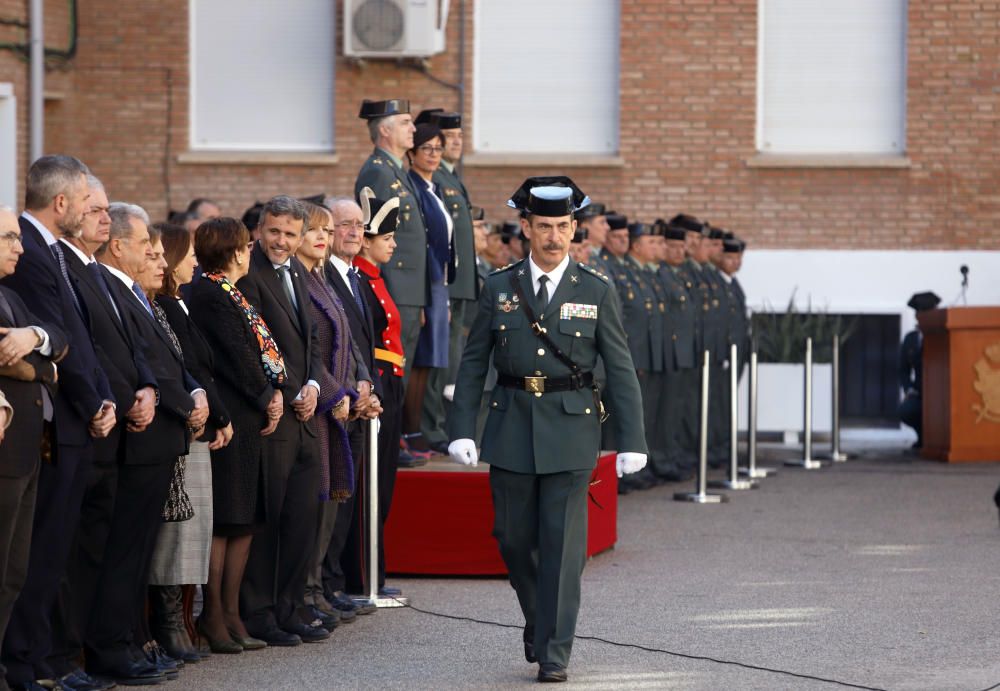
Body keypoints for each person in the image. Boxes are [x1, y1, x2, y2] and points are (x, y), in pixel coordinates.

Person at [448, 176, 647, 683]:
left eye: (562, 227)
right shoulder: (499, 287)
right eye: (544, 226)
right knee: (512, 539)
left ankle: (554, 650)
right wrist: (461, 428)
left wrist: (633, 441)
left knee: (563, 547)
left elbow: (620, 369)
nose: (554, 236)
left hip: (572, 430)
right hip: (511, 426)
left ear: (575, 228)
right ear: (526, 227)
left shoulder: (596, 290)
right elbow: (474, 364)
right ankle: (540, 621)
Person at [1, 156, 117, 691]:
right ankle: (28, 665)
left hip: (67, 416)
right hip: (51, 424)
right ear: (64, 203)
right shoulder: (31, 250)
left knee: (41, 558)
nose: (97, 211)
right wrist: (94, 400)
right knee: (34, 558)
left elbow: (66, 334)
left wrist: (100, 396)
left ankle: (39, 663)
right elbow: (51, 336)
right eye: (87, 201)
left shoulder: (47, 251)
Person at [87, 203, 207, 685]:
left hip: (160, 438)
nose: (155, 257)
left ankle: (132, 641)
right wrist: (180, 400)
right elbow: (144, 365)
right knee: (124, 553)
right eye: (146, 247)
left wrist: (194, 392)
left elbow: (165, 359)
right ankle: (114, 647)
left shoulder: (137, 295)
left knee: (139, 554)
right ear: (120, 247)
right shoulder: (109, 288)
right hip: (140, 438)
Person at [52, 176, 159, 691]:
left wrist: (148, 388)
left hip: (123, 426)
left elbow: (132, 347)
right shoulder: (66, 268)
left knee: (110, 551)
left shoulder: (95, 272)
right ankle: (73, 654)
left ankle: (103, 648)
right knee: (82, 555)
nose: (102, 215)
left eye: (104, 209)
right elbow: (85, 349)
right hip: (92, 428)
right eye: (94, 208)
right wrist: (113, 398)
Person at [188, 217, 284, 655]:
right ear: (232, 250)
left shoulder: (232, 291)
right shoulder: (209, 294)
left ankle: (231, 612)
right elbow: (234, 355)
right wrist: (267, 394)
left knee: (246, 516)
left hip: (249, 415)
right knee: (228, 516)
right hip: (232, 413)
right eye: (245, 244)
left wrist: (271, 393)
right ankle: (214, 615)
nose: (250, 250)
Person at [236, 196, 329, 646]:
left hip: (306, 418)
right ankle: (259, 611)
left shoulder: (297, 271)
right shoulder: (248, 273)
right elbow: (255, 342)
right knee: (268, 520)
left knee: (301, 519)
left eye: (291, 234)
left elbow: (310, 337)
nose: (281, 241)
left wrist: (314, 386)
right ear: (259, 229)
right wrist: (292, 392)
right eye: (274, 232)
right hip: (273, 418)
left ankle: (290, 606)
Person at [148, 222, 234, 663]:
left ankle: (180, 621)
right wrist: (210, 410)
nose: (192, 263)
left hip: (197, 424)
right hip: (181, 428)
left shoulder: (178, 304)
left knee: (191, 535)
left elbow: (200, 367)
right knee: (176, 537)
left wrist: (213, 409)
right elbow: (185, 367)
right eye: (187, 257)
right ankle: (169, 624)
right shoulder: (163, 306)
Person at [0, 204, 66, 691]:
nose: (18, 247)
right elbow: (19, 367)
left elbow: (58, 341)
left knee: (13, 575)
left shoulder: (10, 295)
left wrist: (34, 338)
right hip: (5, 455)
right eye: (7, 238)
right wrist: (42, 367)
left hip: (27, 453)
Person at [294, 202, 363, 630]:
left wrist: (356, 389)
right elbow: (305, 349)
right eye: (313, 230)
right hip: (317, 408)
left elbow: (347, 342)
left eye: (325, 230)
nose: (322, 237)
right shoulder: (297, 281)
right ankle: (305, 591)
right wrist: (337, 393)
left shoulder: (319, 277)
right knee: (313, 506)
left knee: (331, 505)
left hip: (337, 407)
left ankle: (317, 588)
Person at [321, 196, 383, 610]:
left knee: (347, 501)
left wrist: (367, 385)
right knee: (331, 501)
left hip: (358, 399)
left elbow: (365, 346)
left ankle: (334, 583)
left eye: (359, 225)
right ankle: (324, 585)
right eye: (344, 224)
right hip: (333, 403)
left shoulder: (357, 278)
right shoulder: (324, 275)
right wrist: (348, 391)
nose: (354, 232)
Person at [354, 188, 406, 597]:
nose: (392, 244)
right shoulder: (360, 279)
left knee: (384, 482)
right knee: (371, 484)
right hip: (377, 378)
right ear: (367, 240)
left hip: (392, 378)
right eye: (386, 238)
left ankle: (375, 572)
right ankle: (364, 575)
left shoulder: (375, 277)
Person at [415, 109, 477, 457]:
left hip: (458, 281)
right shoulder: (435, 179)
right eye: (444, 139)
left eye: (457, 138)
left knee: (450, 362)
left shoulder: (450, 179)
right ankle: (431, 425)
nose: (453, 144)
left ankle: (438, 425)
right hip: (444, 283)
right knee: (438, 360)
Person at [354, 99, 427, 376]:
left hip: (408, 289)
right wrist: (381, 291)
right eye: (405, 122)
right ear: (385, 131)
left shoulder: (396, 171)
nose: (413, 128)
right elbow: (375, 238)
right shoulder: (378, 171)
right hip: (393, 286)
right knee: (391, 371)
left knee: (402, 373)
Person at [401, 122, 453, 456]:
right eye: (427, 149)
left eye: (438, 149)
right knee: (418, 357)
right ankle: (410, 428)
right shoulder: (414, 188)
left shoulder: (433, 188)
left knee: (431, 358)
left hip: (438, 282)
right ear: (412, 153)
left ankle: (419, 427)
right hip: (425, 282)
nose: (433, 155)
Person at [653, 221, 699, 480]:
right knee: (663, 413)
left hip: (680, 353)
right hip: (666, 352)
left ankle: (671, 456)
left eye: (683, 247)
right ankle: (662, 459)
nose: (680, 252)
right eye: (673, 246)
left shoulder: (679, 274)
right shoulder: (661, 273)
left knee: (675, 411)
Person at [899, 291, 940, 449]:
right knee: (907, 410)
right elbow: (903, 369)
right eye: (919, 313)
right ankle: (923, 438)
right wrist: (908, 389)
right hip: (919, 392)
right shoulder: (911, 338)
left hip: (940, 393)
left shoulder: (941, 336)